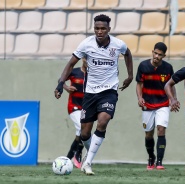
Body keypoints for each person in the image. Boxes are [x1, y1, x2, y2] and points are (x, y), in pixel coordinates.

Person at [54, 14, 133, 175]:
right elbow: (70, 64)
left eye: (103, 28)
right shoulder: (86, 44)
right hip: (90, 93)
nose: (99, 31)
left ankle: (88, 162)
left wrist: (130, 75)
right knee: (84, 133)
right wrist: (61, 84)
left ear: (109, 29)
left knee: (103, 122)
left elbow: (128, 54)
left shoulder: (118, 44)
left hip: (109, 91)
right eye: (97, 28)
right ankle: (87, 158)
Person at [136, 42, 178, 170]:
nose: (157, 56)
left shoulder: (168, 68)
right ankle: (151, 158)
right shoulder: (143, 66)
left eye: (160, 54)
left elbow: (171, 85)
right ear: (152, 52)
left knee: (161, 129)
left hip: (163, 103)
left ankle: (159, 162)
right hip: (148, 104)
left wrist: (173, 100)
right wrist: (140, 98)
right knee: (148, 134)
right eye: (155, 53)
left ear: (164, 56)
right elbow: (139, 84)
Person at [63, 58, 87, 169]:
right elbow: (61, 80)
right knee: (83, 129)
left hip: (86, 107)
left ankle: (67, 159)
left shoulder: (94, 75)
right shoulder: (75, 72)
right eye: (87, 59)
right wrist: (67, 87)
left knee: (80, 134)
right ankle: (78, 154)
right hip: (74, 106)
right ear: (83, 59)